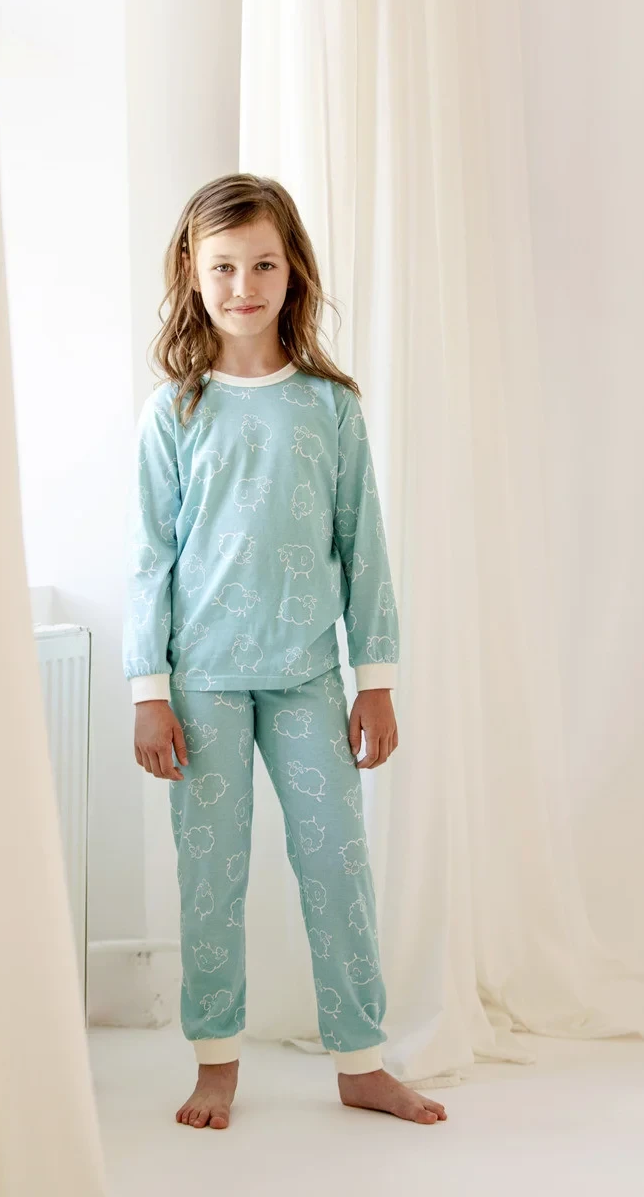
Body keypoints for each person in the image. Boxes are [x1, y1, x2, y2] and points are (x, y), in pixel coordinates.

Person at [122, 173, 447, 1131]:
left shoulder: (328, 406)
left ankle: (361, 1061)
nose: (243, 285)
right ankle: (215, 1063)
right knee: (210, 877)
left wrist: (375, 680)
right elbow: (148, 559)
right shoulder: (175, 411)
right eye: (223, 266)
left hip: (308, 678)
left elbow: (363, 545)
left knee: (338, 863)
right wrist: (149, 690)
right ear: (193, 272)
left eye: (263, 264)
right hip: (203, 684)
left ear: (293, 271)